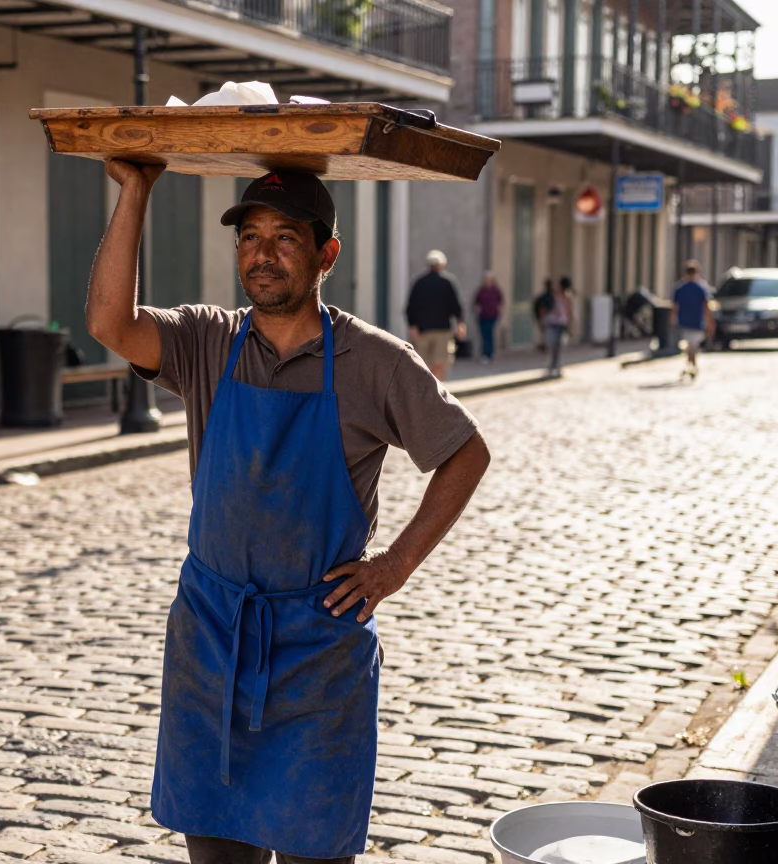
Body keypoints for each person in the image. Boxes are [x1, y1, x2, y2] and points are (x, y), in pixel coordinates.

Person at [85, 163, 491, 864]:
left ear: (326, 253)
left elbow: (466, 453)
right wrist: (136, 191)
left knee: (315, 852)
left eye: (284, 238)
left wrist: (394, 565)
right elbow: (109, 322)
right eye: (249, 237)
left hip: (316, 653)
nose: (261, 254)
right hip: (211, 640)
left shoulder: (375, 362)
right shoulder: (208, 341)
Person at [405, 250, 466, 381]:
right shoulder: (447, 281)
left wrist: (412, 326)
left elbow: (410, 307)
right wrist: (460, 324)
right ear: (442, 265)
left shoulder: (419, 282)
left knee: (422, 363)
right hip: (442, 329)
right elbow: (456, 306)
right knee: (440, 362)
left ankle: (426, 390)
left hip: (423, 330)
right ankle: (436, 390)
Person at [672, 260, 715, 380]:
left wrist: (673, 318)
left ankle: (690, 365)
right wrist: (710, 321)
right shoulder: (700, 288)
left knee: (689, 344)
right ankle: (692, 365)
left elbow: (674, 306)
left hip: (684, 320)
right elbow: (706, 306)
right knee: (693, 345)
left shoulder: (680, 288)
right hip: (696, 320)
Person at [545, 278, 575, 377]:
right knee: (552, 345)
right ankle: (552, 366)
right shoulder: (555, 295)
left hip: (560, 323)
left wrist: (570, 324)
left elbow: (569, 312)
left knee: (557, 346)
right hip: (553, 322)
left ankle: (555, 366)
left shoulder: (567, 297)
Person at [472, 272, 504, 364]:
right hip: (483, 316)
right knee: (484, 334)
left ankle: (490, 353)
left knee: (489, 333)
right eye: (486, 280)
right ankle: (486, 354)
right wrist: (477, 310)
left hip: (493, 315)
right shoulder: (481, 291)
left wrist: (499, 312)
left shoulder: (496, 291)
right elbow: (476, 302)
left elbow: (501, 302)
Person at [532, 279, 556, 351]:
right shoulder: (550, 296)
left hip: (546, 316)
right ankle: (545, 345)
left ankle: (545, 345)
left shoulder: (546, 296)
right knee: (547, 332)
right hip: (548, 316)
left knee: (545, 332)